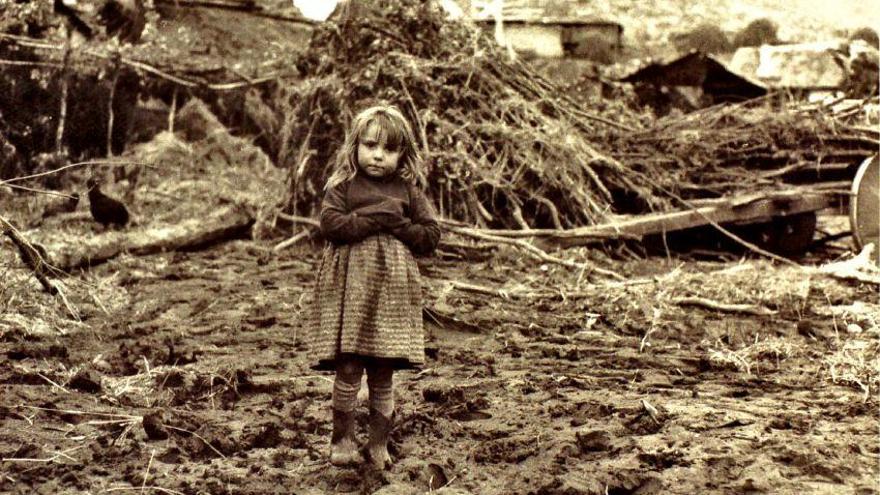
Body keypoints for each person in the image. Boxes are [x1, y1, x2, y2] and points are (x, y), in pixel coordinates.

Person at [307, 104, 441, 469]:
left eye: (389, 149)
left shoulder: (408, 191)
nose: (378, 155)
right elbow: (330, 225)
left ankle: (378, 445)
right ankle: (343, 440)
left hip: (392, 293)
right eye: (370, 145)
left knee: (383, 371)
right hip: (350, 291)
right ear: (355, 147)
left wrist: (396, 226)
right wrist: (374, 219)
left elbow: (430, 235)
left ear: (403, 154)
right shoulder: (343, 186)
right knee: (349, 368)